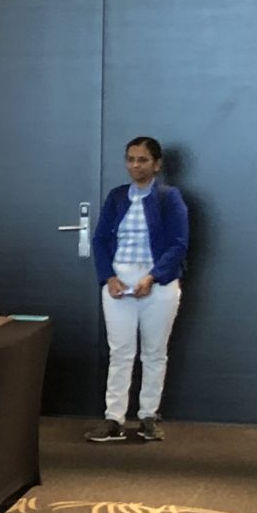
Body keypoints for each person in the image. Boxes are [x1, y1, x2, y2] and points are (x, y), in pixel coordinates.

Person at [85, 137, 190, 445]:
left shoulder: (169, 198)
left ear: (156, 164)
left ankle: (148, 416)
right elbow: (100, 240)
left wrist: (153, 277)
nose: (135, 165)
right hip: (119, 280)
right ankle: (114, 418)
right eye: (130, 159)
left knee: (155, 352)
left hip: (157, 283)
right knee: (120, 352)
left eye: (142, 160)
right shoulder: (117, 196)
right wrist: (108, 277)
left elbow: (179, 243)